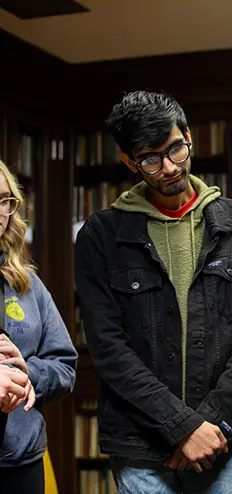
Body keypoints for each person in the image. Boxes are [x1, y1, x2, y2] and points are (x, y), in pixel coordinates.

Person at [74, 91, 232, 493]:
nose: (169, 168)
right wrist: (180, 428)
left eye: (176, 149)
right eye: (150, 159)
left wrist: (207, 427)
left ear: (189, 136)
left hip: (220, 442)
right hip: (142, 448)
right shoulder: (101, 236)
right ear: (129, 161)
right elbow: (109, 350)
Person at [0, 159, 77, 493]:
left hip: (22, 460)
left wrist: (27, 374)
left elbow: (65, 365)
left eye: (4, 201)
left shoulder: (26, 284)